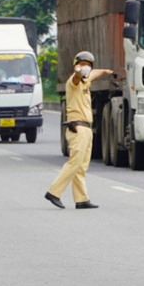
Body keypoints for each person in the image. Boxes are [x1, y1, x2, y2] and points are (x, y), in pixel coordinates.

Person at [45, 51, 113, 209]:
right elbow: (76, 76)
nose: (86, 68)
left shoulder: (85, 82)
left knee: (81, 166)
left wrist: (103, 71)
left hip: (87, 128)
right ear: (76, 66)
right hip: (78, 128)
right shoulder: (73, 81)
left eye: (88, 65)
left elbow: (93, 74)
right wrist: (78, 70)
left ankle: (81, 199)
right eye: (83, 65)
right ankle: (54, 192)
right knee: (74, 163)